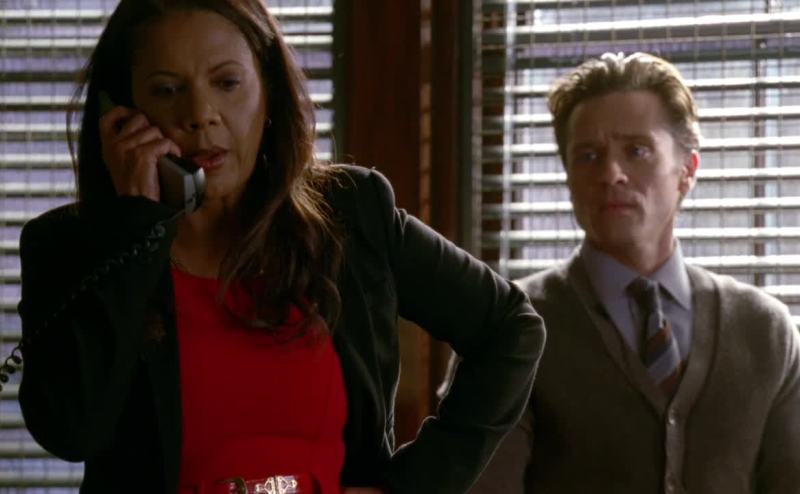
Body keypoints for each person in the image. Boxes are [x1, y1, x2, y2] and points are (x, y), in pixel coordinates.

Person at [12, 1, 546, 493]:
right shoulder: (67, 247)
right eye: (167, 90)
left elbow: (510, 326)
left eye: (227, 83)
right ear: (122, 113)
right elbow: (71, 431)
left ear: (268, 91)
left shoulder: (351, 212)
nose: (201, 113)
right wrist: (133, 228)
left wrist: (411, 488)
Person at [458, 53, 800, 493]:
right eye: (588, 156)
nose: (611, 174)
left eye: (637, 151)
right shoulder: (508, 330)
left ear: (687, 171)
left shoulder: (764, 330)